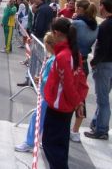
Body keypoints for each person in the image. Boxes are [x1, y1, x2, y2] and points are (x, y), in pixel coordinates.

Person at [43, 17, 88, 169]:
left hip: (59, 107)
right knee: (60, 146)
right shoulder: (73, 52)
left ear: (55, 33)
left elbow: (68, 84)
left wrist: (78, 103)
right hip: (66, 107)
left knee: (51, 146)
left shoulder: (63, 56)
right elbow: (81, 80)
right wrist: (79, 101)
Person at [15, 32, 56, 153]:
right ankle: (44, 139)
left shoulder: (54, 59)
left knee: (37, 117)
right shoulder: (54, 57)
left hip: (48, 96)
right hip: (49, 95)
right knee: (45, 118)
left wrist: (41, 78)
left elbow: (52, 78)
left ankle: (29, 142)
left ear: (49, 44)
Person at [70, 0, 98, 142]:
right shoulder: (95, 27)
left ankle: (64, 127)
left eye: (75, 7)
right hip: (84, 63)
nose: (74, 9)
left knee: (67, 93)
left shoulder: (76, 24)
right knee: (80, 95)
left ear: (80, 9)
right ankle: (75, 130)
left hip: (73, 62)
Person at [85, 0, 112, 140]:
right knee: (104, 98)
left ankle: (101, 130)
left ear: (104, 6)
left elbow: (102, 47)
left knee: (102, 100)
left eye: (100, 4)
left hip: (105, 64)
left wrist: (94, 61)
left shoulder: (106, 25)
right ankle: (97, 123)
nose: (99, 7)